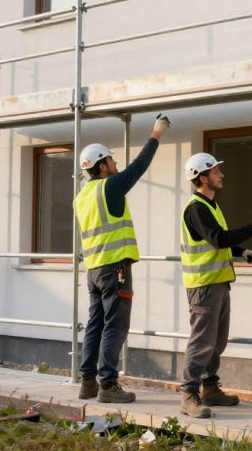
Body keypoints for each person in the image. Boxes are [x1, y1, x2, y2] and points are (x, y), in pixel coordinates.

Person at [74, 113, 171, 402]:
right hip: (115, 267)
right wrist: (157, 133)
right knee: (115, 325)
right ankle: (108, 385)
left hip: (93, 270)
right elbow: (139, 167)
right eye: (112, 161)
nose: (116, 165)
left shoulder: (81, 196)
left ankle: (88, 382)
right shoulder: (110, 187)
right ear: (102, 166)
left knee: (95, 324)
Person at [177, 152, 252, 418]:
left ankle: (210, 388)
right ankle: (188, 394)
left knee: (216, 341)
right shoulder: (196, 208)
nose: (222, 175)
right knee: (201, 341)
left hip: (218, 283)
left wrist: (241, 250)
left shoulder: (210, 206)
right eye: (216, 171)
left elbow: (220, 240)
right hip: (204, 285)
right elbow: (217, 238)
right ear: (202, 177)